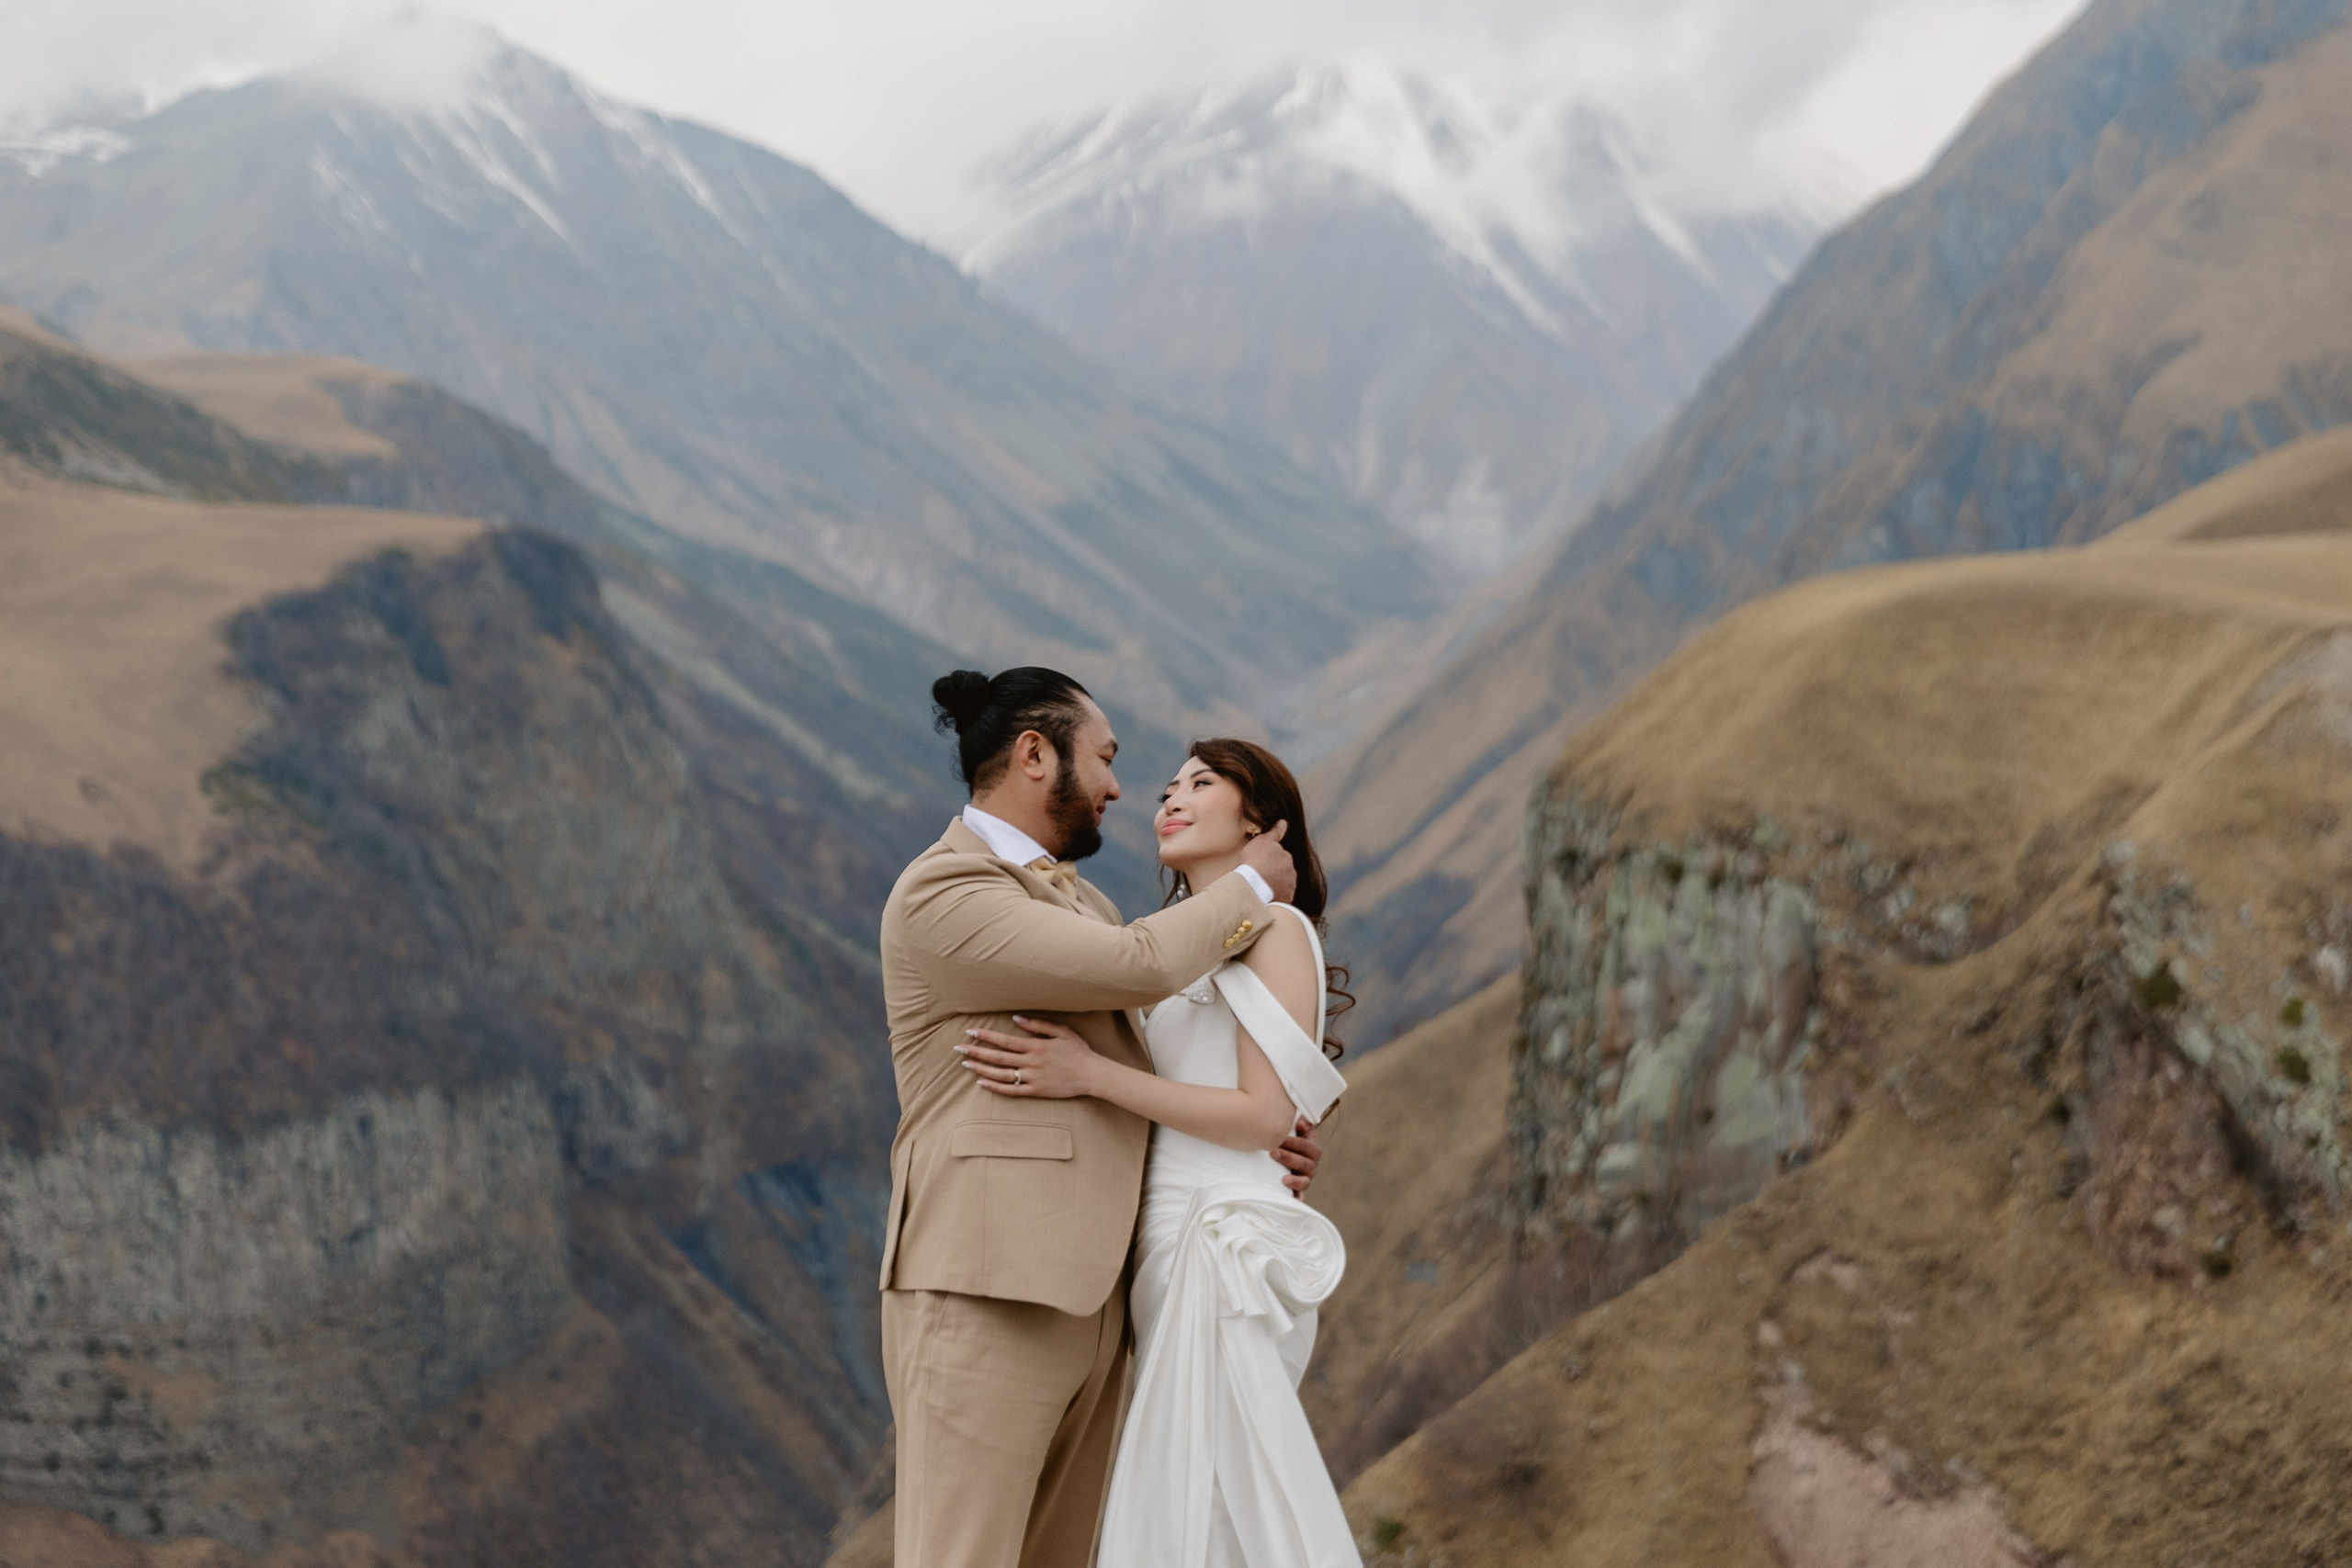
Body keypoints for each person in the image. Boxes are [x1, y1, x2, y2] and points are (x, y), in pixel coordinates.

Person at [876, 669, 1324, 1568]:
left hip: (1103, 1301)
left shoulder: (1080, 899)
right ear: (1036, 756)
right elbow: (1137, 967)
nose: (1122, 787)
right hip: (987, 1289)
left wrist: (1259, 1137)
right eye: (1108, 759)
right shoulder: (945, 894)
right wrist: (1249, 886)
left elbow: (1148, 1069)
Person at [962, 737, 1358, 1568]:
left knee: (1221, 1497)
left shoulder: (1277, 928)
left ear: (1260, 821)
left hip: (1217, 1242)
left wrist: (1087, 1074)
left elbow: (1260, 1115)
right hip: (1158, 1247)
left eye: (1201, 783)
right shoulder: (1158, 943)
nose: (1169, 798)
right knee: (1184, 1491)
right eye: (1168, 787)